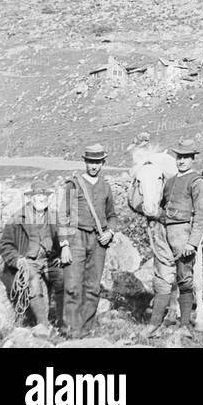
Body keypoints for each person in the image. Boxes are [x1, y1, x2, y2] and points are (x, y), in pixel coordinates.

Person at [141, 143, 203, 339]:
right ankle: (154, 324)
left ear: (192, 159)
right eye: (179, 157)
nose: (181, 160)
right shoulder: (169, 182)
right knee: (161, 278)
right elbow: (162, 206)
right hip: (164, 233)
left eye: (186, 157)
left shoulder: (197, 182)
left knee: (185, 279)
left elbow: (201, 215)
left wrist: (192, 242)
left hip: (184, 235)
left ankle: (184, 325)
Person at [59, 143, 116, 339]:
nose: (93, 166)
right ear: (84, 161)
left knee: (93, 287)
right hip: (76, 238)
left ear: (103, 163)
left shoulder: (106, 187)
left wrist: (110, 232)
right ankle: (71, 330)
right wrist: (64, 244)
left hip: (98, 242)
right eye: (90, 162)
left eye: (97, 162)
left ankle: (86, 329)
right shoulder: (73, 184)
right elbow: (63, 215)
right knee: (73, 285)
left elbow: (112, 215)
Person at [0, 180, 67, 336]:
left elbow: (66, 239)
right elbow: (5, 245)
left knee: (63, 278)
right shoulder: (18, 218)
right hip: (29, 260)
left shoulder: (55, 216)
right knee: (33, 281)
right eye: (37, 196)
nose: (40, 199)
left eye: (43, 195)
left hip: (50, 260)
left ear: (48, 198)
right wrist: (17, 260)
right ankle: (43, 325)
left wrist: (62, 253)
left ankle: (63, 323)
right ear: (31, 198)